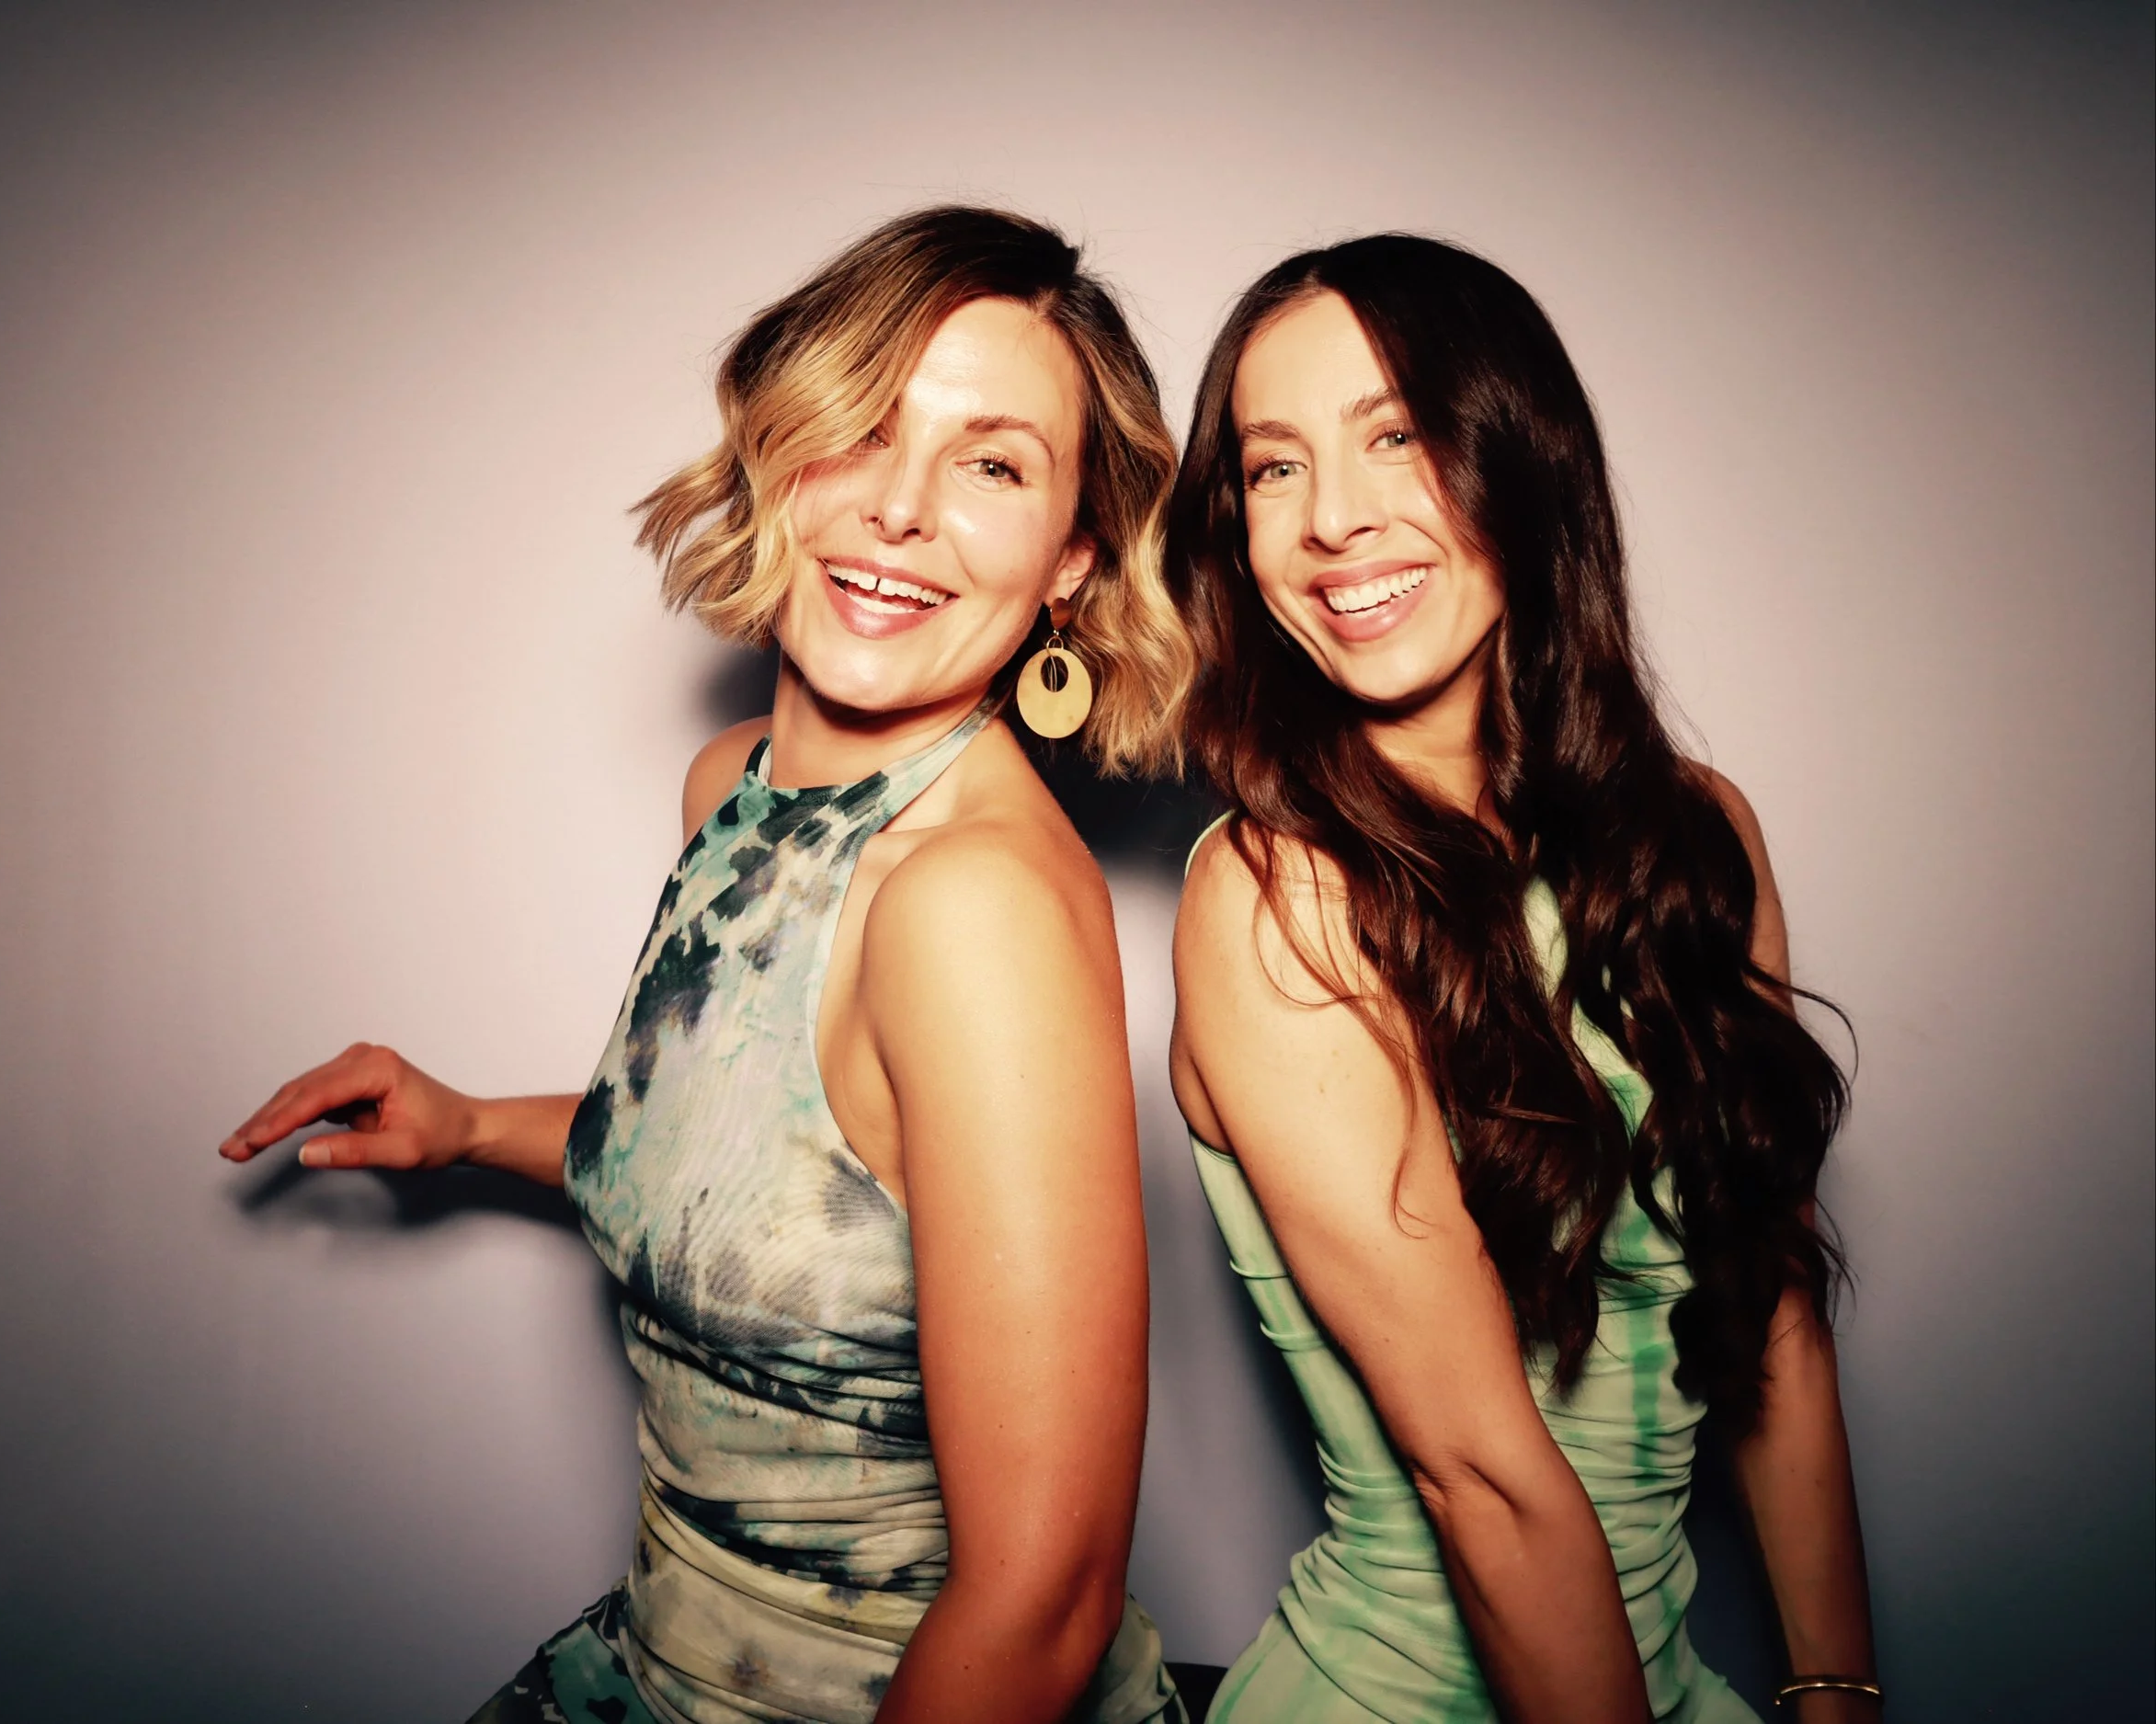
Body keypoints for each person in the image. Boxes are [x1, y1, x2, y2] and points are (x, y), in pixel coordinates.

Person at [220, 206, 1196, 1724]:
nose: (900, 509)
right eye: (861, 431)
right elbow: (772, 1174)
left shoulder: (974, 903)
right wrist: (474, 1120)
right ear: (778, 451)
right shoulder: (733, 784)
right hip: (660, 1656)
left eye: (991, 463)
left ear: (1072, 554)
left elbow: (1043, 1604)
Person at [1163, 236, 1878, 1723]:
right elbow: (1481, 1472)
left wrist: (1832, 1689)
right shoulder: (1278, 897)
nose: (1334, 522)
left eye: (1396, 437)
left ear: (1521, 460)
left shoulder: (1694, 834)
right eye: (1274, 468)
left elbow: (1772, 1308)